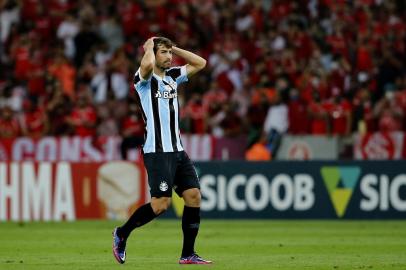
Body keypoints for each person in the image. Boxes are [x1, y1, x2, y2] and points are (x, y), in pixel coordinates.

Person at [112, 37, 212, 265]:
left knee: (193, 196)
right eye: (164, 53)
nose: (169, 57)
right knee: (160, 205)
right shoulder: (143, 80)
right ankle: (122, 233)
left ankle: (188, 254)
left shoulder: (173, 77)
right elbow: (146, 66)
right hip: (157, 152)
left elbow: (201, 63)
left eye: (170, 53)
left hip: (178, 150)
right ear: (153, 54)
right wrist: (148, 47)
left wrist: (174, 47)